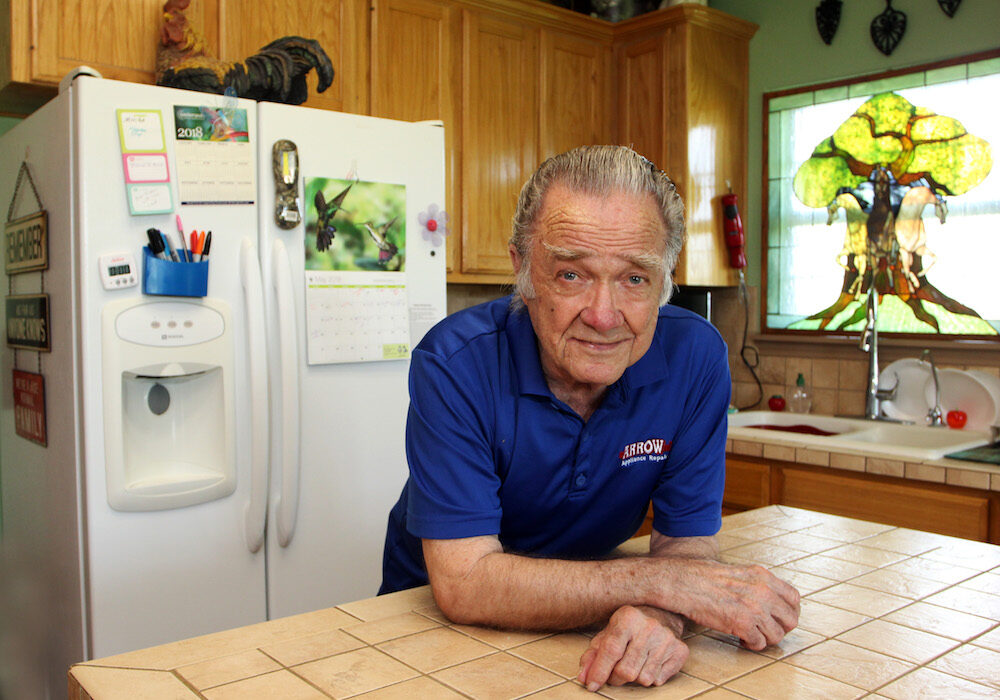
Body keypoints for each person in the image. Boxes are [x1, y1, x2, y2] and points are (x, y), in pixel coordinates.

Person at [380, 145, 800, 691]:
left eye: (634, 279)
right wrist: (666, 585)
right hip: (432, 622)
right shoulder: (455, 365)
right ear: (521, 268)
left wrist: (657, 618)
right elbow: (466, 584)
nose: (603, 317)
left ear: (665, 280)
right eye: (572, 274)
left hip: (594, 623)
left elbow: (687, 548)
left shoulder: (694, 358)